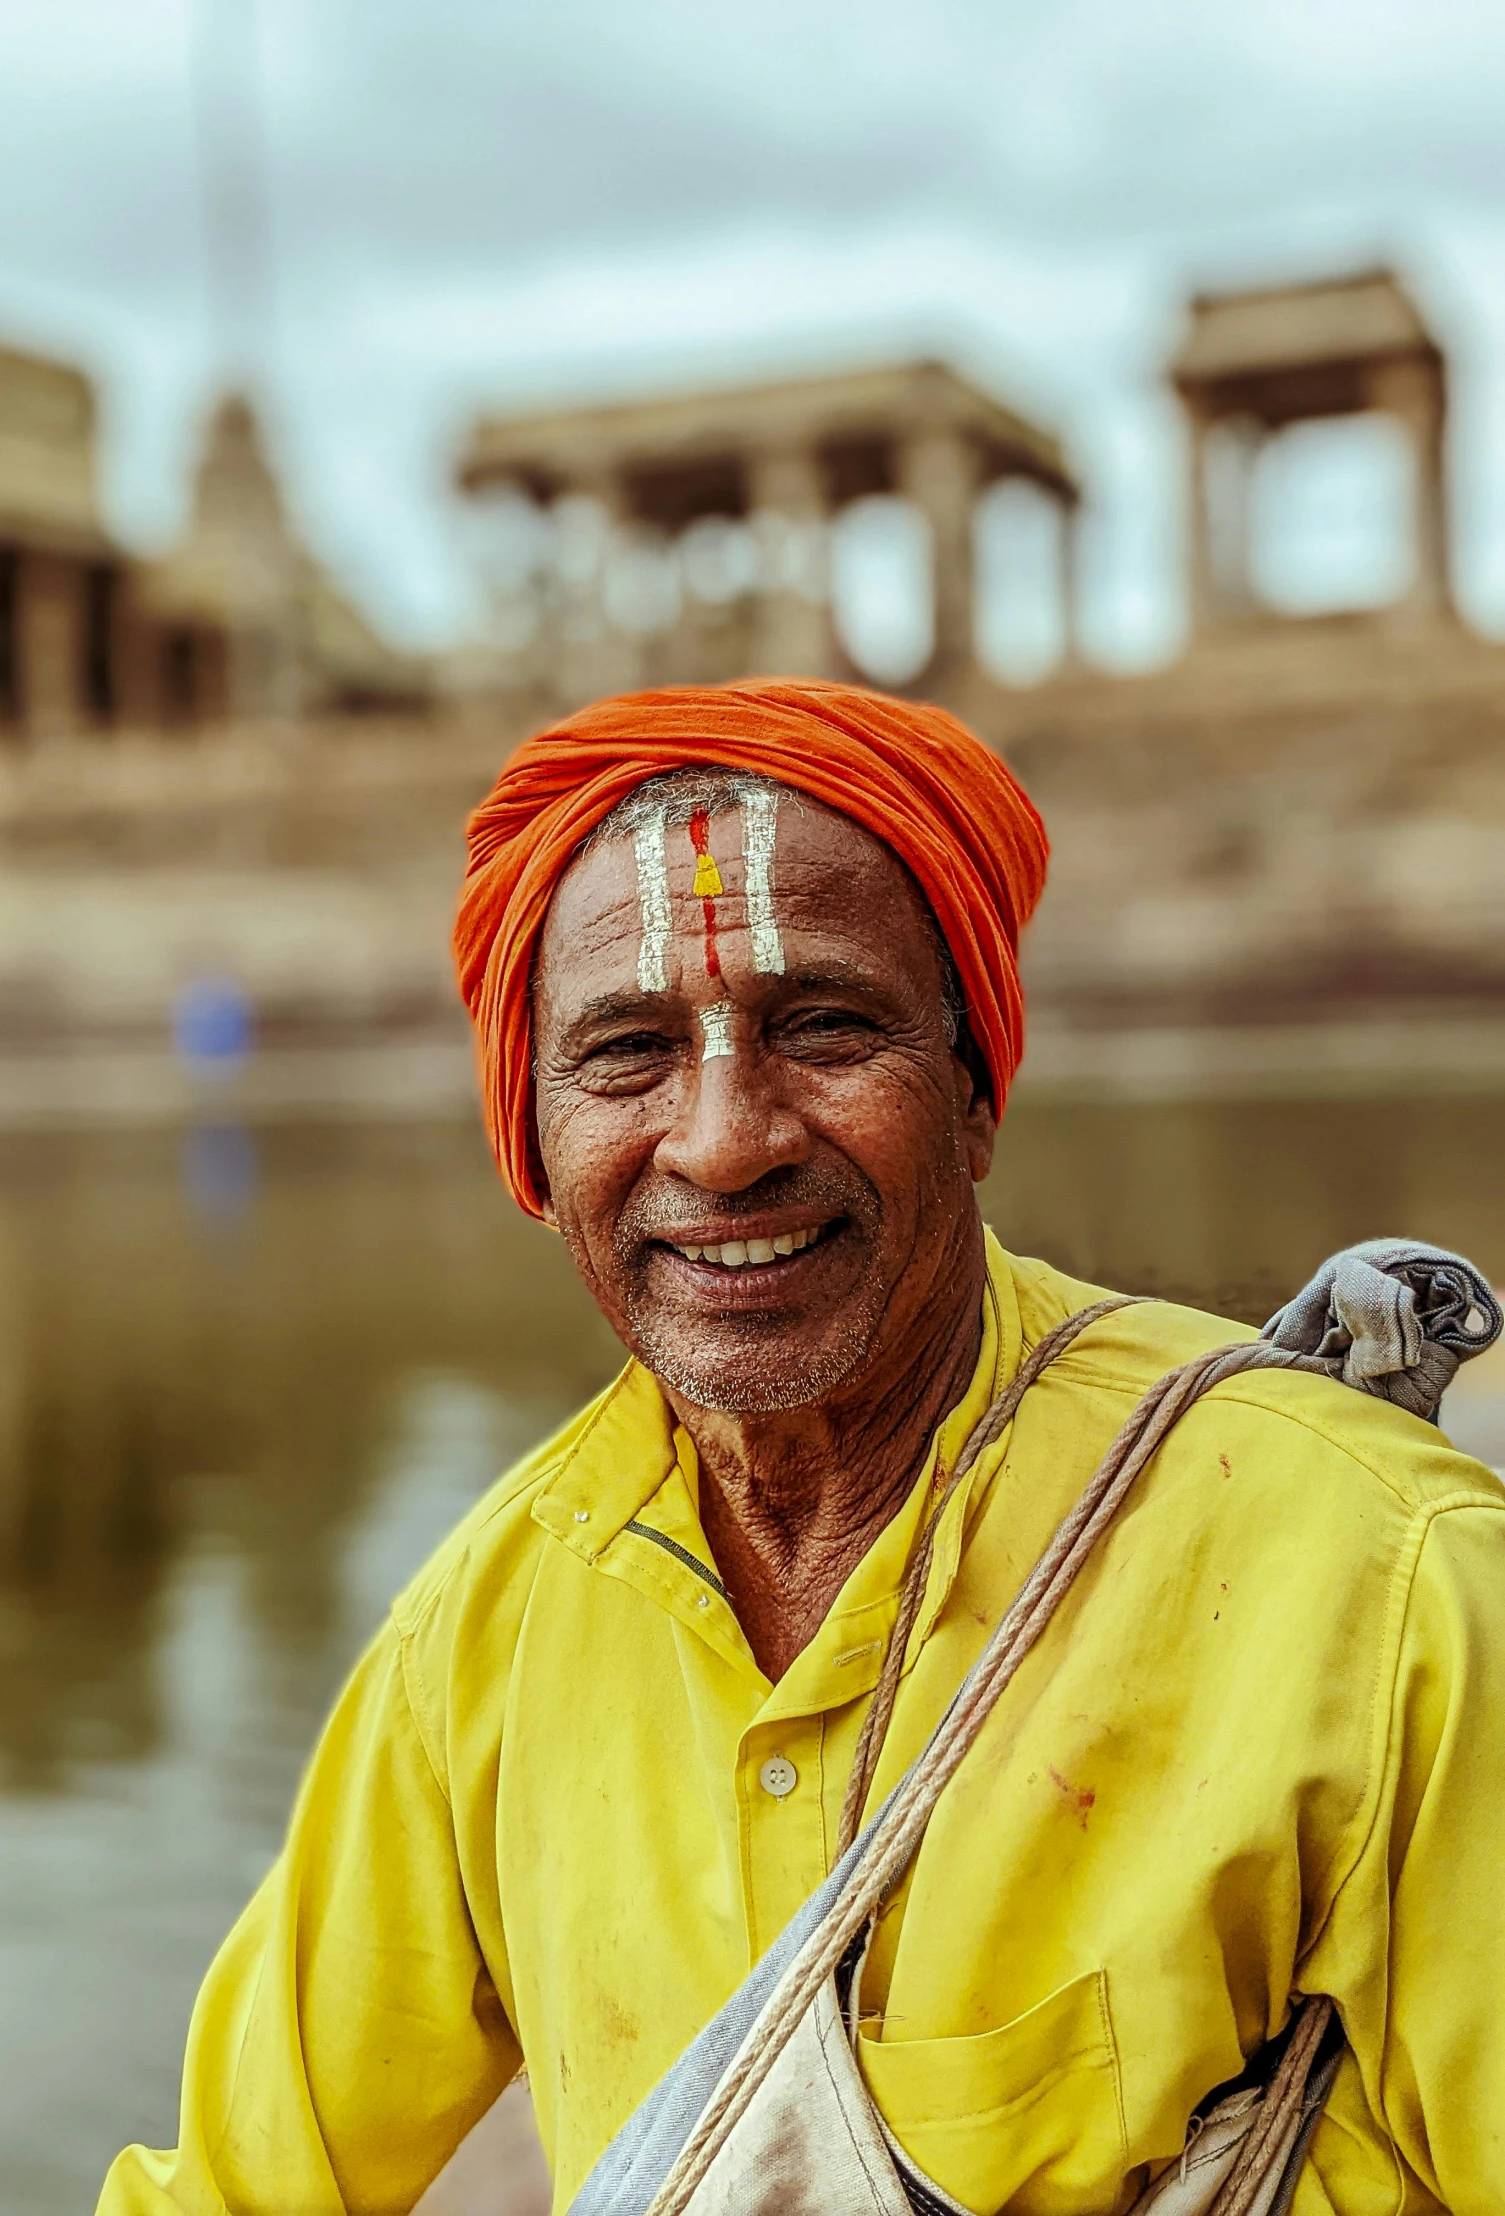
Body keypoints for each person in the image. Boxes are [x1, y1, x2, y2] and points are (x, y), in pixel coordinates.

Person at [98, 678, 1505, 2215]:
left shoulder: (1379, 1572)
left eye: (825, 1028)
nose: (722, 1140)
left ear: (972, 1095)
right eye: (625, 1053)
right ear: (533, 1141)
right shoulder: (481, 1643)